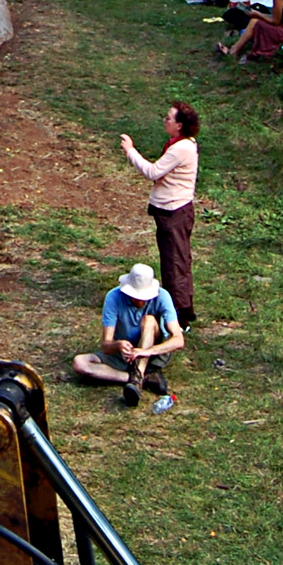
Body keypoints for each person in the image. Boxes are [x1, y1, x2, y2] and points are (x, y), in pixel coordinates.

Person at [121, 103, 200, 327]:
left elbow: (153, 171)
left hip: (174, 213)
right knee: (174, 263)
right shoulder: (182, 144)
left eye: (168, 119)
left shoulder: (181, 148)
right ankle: (178, 311)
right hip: (171, 211)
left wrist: (130, 151)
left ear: (179, 125)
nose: (165, 121)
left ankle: (179, 317)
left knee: (175, 265)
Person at [73, 263, 184, 412]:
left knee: (149, 320)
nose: (139, 301)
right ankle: (140, 380)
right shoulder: (113, 297)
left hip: (151, 354)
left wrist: (147, 351)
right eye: (134, 297)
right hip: (123, 356)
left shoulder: (163, 296)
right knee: (79, 363)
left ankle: (138, 374)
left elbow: (178, 339)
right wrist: (118, 345)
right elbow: (106, 345)